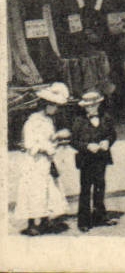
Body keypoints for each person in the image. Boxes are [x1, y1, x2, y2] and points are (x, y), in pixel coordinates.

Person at [15, 82, 71, 235]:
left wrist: (56, 137)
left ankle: (45, 219)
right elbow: (29, 143)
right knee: (34, 190)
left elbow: (48, 138)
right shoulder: (32, 122)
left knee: (47, 189)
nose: (56, 109)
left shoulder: (48, 121)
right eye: (54, 106)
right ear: (46, 105)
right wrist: (46, 147)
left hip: (45, 161)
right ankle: (33, 223)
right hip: (35, 162)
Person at [69, 89, 116, 231]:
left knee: (100, 186)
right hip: (86, 159)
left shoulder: (105, 117)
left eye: (93, 105)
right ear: (84, 107)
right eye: (88, 106)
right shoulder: (79, 121)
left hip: (101, 158)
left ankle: (100, 215)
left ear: (98, 105)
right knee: (85, 189)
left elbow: (112, 134)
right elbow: (73, 141)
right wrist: (87, 146)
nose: (91, 108)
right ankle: (83, 221)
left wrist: (107, 142)